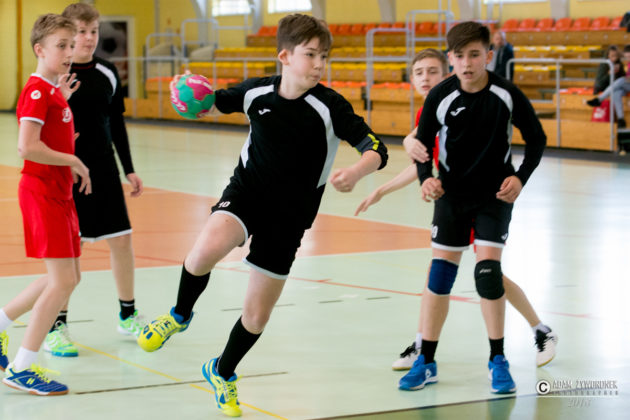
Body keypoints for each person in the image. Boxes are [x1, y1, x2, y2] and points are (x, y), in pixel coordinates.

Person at [137, 14, 388, 417]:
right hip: (247, 194)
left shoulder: (330, 106)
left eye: (324, 56)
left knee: (256, 316)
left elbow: (376, 148)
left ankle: (222, 371)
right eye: (311, 55)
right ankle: (179, 315)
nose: (319, 64)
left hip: (290, 217)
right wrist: (183, 90)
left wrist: (357, 171)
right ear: (285, 56)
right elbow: (210, 102)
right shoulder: (256, 92)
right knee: (203, 253)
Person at [355, 48, 557, 372]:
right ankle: (424, 345)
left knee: (487, 274)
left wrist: (407, 146)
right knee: (449, 275)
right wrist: (382, 188)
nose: (425, 78)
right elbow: (421, 161)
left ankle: (536, 331)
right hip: (454, 201)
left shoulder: (462, 103)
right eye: (419, 72)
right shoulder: (431, 111)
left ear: (448, 71)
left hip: (484, 197)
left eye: (432, 71)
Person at [397, 21, 546, 394]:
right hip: (451, 196)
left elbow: (537, 138)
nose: (467, 63)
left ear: (489, 56)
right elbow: (422, 143)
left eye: (475, 55)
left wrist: (521, 178)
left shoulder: (506, 94)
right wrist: (425, 178)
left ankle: (498, 359)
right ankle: (426, 361)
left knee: (487, 274)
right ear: (451, 58)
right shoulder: (441, 95)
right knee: (439, 277)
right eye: (460, 56)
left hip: (495, 196)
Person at [37, 3, 146, 359]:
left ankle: (128, 314)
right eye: (81, 32)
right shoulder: (54, 74)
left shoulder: (108, 72)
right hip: (67, 173)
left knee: (122, 239)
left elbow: (117, 123)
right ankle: (57, 326)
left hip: (104, 169)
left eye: (94, 31)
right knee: (70, 252)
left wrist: (129, 168)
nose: (88, 38)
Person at [0, 13, 91, 396]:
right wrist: (73, 160)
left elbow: (51, 134)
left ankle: (1, 323)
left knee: (69, 277)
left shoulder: (52, 91)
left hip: (60, 194)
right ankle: (21, 367)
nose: (70, 51)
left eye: (72, 45)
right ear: (40, 49)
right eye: (61, 45)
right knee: (62, 280)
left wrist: (62, 106)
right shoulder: (37, 91)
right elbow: (27, 147)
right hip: (42, 193)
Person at [587, 44, 630, 129]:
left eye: (629, 57)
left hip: (624, 84)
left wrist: (622, 76)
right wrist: (611, 73)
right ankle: (621, 119)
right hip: (620, 86)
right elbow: (600, 82)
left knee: (621, 80)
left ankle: (599, 99)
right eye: (627, 57)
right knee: (616, 92)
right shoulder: (605, 64)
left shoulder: (620, 64)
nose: (628, 59)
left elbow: (625, 78)